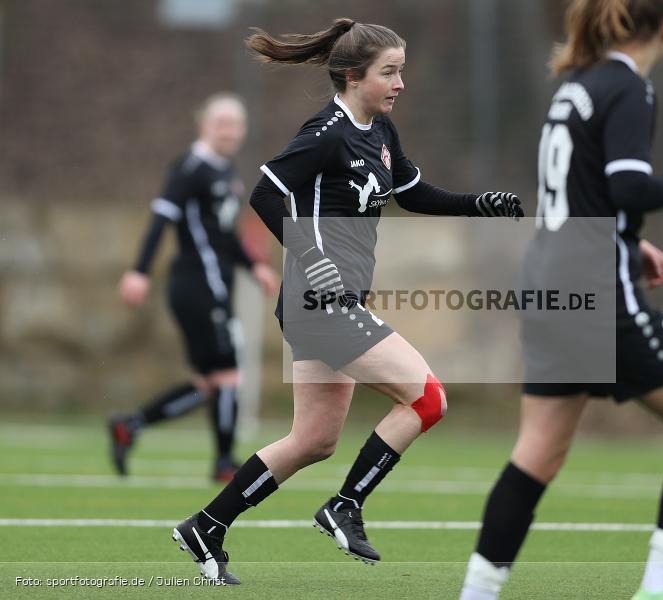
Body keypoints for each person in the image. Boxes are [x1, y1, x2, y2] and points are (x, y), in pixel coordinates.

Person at [170, 18, 523, 584]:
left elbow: (415, 194)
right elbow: (266, 193)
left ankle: (207, 525)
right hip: (320, 303)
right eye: (389, 72)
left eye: (401, 71)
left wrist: (481, 204)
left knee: (313, 440)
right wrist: (310, 257)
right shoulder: (327, 130)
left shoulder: (380, 133)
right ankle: (346, 505)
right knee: (428, 398)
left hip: (333, 303)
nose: (400, 83)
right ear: (353, 76)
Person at [459, 1, 663, 599]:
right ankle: (660, 589)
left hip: (549, 278)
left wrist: (631, 244)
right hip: (596, 293)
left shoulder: (576, 87)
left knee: (536, 453)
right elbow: (627, 186)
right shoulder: (629, 89)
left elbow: (578, 195)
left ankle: (476, 594)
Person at [110, 93, 280, 482]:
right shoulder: (189, 168)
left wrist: (254, 264)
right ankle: (224, 463)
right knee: (228, 376)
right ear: (204, 125)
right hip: (196, 285)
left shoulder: (224, 171)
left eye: (236, 124)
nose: (229, 131)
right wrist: (139, 270)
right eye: (221, 123)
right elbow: (160, 219)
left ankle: (130, 426)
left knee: (209, 383)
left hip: (211, 282)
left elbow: (223, 234)